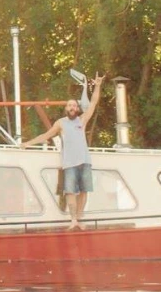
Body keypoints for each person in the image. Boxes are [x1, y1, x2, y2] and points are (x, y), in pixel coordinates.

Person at [21, 73, 104, 230]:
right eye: (69, 105)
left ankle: (79, 219)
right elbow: (46, 135)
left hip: (84, 161)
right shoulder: (60, 123)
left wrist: (98, 86)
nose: (72, 107)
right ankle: (73, 220)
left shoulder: (82, 120)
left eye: (74, 105)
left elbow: (93, 103)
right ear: (66, 108)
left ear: (77, 109)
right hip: (69, 164)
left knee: (84, 192)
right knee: (71, 193)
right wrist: (28, 143)